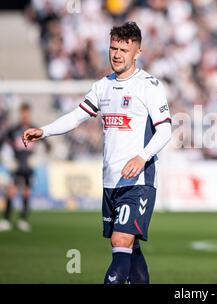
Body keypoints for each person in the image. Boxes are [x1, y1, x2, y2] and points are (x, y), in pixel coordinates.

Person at [22, 22, 172, 284]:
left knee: (121, 239)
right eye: (113, 48)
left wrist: (142, 157)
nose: (116, 54)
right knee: (128, 246)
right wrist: (44, 131)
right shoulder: (102, 86)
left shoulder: (148, 85)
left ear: (137, 52)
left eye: (123, 50)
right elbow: (76, 117)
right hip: (111, 179)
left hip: (138, 181)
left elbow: (165, 130)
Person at [0, 103, 50, 232]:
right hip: (16, 165)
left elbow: (48, 145)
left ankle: (23, 219)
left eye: (27, 113)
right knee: (11, 191)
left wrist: (39, 159)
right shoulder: (14, 129)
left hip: (28, 166)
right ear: (20, 113)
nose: (25, 115)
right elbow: (2, 143)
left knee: (26, 192)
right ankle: (6, 219)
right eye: (23, 113)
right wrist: (8, 159)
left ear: (29, 113)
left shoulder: (34, 129)